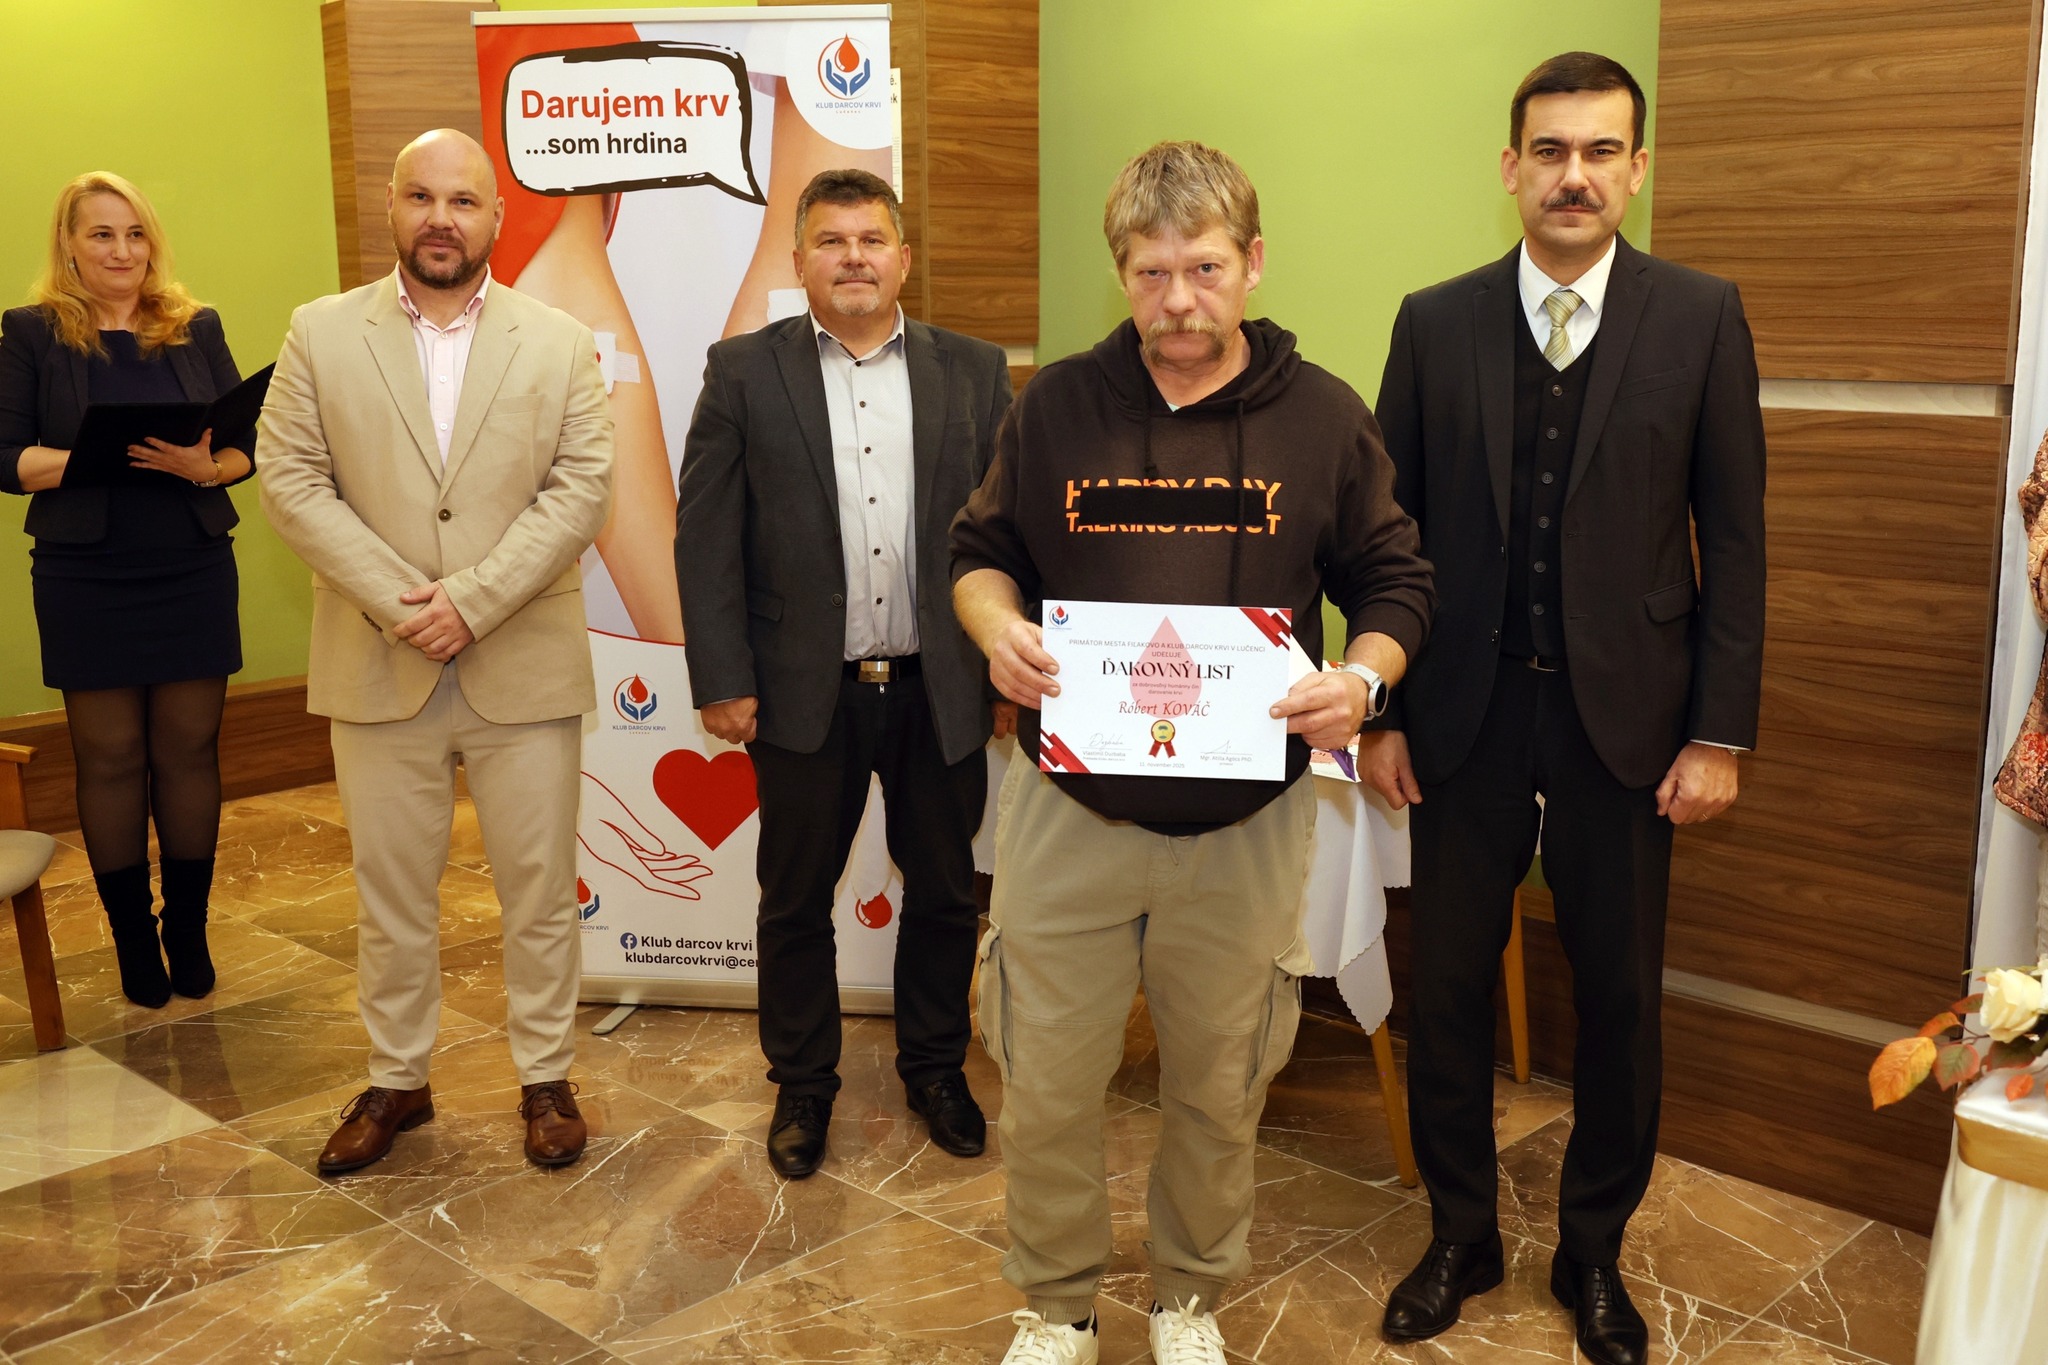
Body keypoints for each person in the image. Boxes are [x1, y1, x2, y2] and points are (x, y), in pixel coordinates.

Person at [951, 142, 1434, 1365]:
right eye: (1150, 273)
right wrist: (997, 629)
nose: (1177, 301)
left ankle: (1186, 1298)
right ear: (1120, 272)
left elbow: (1393, 578)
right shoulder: (1055, 405)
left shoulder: (1322, 416)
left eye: (1204, 269)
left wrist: (1362, 679)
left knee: (1220, 1086)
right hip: (1067, 810)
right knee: (1046, 1082)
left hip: (1246, 822)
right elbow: (979, 554)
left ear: (1251, 263)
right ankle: (1055, 1307)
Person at [1360, 53, 1766, 1365]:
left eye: (1599, 151)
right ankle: (1460, 1234)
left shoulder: (1699, 317)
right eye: (1549, 150)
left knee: (1619, 1000)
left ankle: (1592, 1250)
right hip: (1460, 716)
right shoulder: (1434, 321)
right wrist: (1378, 711)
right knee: (1446, 989)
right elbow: (1385, 538)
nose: (1573, 174)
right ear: (1510, 167)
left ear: (1636, 169)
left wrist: (1718, 730)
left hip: (1630, 728)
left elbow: (1733, 541)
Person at [260, 129, 614, 1174]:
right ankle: (397, 1079)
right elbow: (290, 480)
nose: (441, 219)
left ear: (495, 216)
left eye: (463, 201)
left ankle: (545, 1075)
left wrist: (473, 601)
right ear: (392, 205)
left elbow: (581, 489)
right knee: (391, 894)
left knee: (539, 890)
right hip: (378, 661)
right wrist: (402, 603)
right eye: (421, 197)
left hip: (522, 660)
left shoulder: (559, 339)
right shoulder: (320, 332)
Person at [676, 168, 1014, 1180]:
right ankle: (802, 1084)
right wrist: (721, 675)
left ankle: (935, 1070)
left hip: (940, 686)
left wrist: (1007, 666)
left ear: (904, 258)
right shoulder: (743, 371)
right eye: (832, 241)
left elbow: (1009, 531)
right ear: (799, 261)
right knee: (793, 898)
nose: (854, 257)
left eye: (871, 240)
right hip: (798, 690)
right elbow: (706, 534)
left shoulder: (974, 370)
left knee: (945, 891)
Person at [0, 172, 255, 1010]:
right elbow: (6, 458)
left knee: (188, 751)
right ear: (69, 245)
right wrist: (93, 460)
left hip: (190, 563)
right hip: (85, 573)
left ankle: (188, 928)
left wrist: (207, 467)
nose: (121, 251)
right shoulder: (31, 331)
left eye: (135, 233)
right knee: (110, 757)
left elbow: (245, 446)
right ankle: (133, 940)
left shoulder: (195, 325)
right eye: (102, 234)